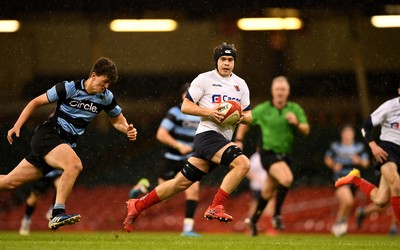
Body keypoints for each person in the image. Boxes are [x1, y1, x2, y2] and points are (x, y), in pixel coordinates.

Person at [123, 42, 252, 233]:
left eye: (230, 60)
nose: (226, 63)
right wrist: (209, 112)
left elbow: (249, 116)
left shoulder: (240, 84)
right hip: (208, 135)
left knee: (180, 183)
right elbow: (186, 106)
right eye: (223, 59)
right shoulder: (204, 79)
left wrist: (240, 117)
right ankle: (216, 206)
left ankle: (138, 205)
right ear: (216, 61)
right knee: (243, 164)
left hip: (221, 139)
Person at [1, 57, 137, 231]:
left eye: (109, 84)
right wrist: (17, 125)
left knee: (9, 182)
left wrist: (126, 129)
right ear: (93, 76)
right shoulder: (69, 87)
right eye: (104, 82)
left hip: (61, 144)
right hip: (49, 135)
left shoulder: (106, 97)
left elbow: (117, 120)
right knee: (74, 165)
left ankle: (56, 213)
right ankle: (57, 213)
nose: (106, 86)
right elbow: (35, 102)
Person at [235, 76, 310, 236]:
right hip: (267, 154)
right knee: (287, 179)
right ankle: (276, 215)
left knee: (267, 192)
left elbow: (306, 129)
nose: (280, 92)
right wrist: (239, 140)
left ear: (288, 92)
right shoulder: (263, 109)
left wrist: (296, 123)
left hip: (285, 155)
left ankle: (253, 222)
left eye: (283, 89)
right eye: (278, 89)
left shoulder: (294, 109)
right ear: (272, 91)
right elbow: (245, 121)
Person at [335, 83, 400, 231]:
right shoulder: (390, 106)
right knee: (396, 185)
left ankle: (355, 179)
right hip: (387, 150)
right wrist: (374, 146)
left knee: (381, 201)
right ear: (399, 91)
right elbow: (366, 125)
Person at [323, 125, 370, 237]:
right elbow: (327, 158)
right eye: (346, 132)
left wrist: (358, 161)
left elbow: (366, 163)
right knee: (348, 200)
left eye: (350, 132)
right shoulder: (336, 146)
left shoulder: (359, 147)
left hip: (353, 181)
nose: (348, 135)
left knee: (347, 203)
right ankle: (341, 223)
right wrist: (333, 165)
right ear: (342, 134)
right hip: (339, 179)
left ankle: (339, 224)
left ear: (353, 134)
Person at [19, 169, 62, 235]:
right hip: (42, 173)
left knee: (61, 186)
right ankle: (26, 220)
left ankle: (53, 210)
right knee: (33, 199)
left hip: (56, 172)